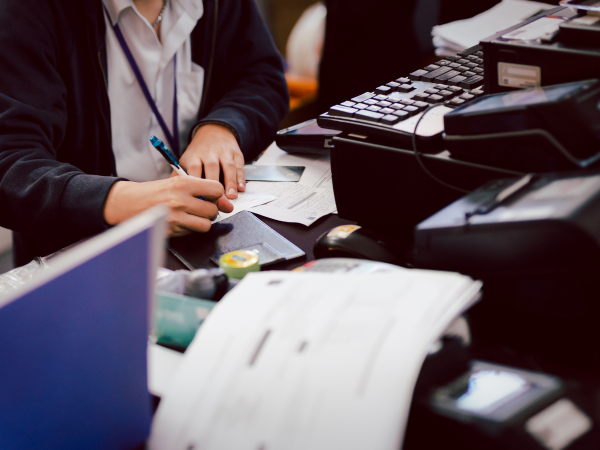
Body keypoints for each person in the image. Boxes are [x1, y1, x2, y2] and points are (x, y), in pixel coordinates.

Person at [0, 0, 288, 266]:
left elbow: (261, 76)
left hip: (203, 237)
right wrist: (119, 201)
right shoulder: (30, 10)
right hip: (83, 260)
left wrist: (223, 127)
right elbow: (10, 164)